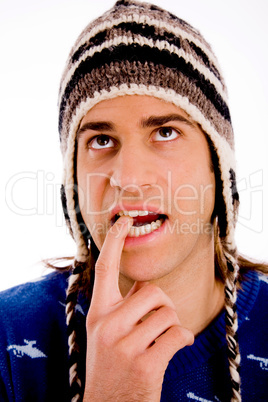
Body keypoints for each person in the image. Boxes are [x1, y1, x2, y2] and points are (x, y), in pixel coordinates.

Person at [0, 0, 267, 401]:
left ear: (217, 166)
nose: (128, 179)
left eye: (165, 133)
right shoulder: (7, 337)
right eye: (101, 140)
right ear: (72, 183)